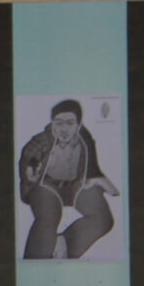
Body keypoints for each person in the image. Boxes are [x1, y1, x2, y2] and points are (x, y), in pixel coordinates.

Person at [18, 98, 120, 259]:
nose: (63, 129)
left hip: (75, 186)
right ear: (52, 123)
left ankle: (64, 245)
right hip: (46, 186)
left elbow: (92, 168)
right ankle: (36, 261)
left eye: (70, 123)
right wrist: (30, 172)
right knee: (49, 217)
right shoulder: (41, 140)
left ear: (78, 125)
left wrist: (107, 187)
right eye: (58, 123)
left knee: (103, 219)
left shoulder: (85, 140)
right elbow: (31, 157)